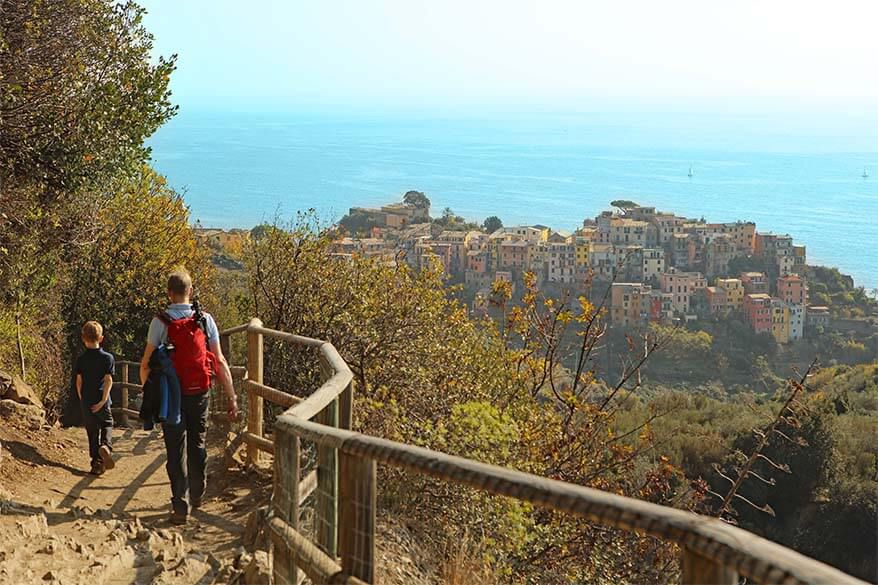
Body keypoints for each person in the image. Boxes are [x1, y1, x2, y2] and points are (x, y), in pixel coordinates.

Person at [140, 268, 238, 525]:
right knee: (198, 442)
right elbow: (219, 360)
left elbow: (145, 363)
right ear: (190, 292)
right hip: (200, 392)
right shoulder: (205, 320)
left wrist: (150, 393)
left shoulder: (159, 322)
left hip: (171, 397)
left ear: (169, 294)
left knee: (175, 448)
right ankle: (198, 490)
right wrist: (232, 397)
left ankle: (179, 505)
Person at [75, 321, 116, 475]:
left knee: (92, 431)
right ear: (101, 338)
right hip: (101, 399)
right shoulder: (108, 358)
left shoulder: (81, 359)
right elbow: (108, 380)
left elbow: (79, 381)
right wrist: (103, 400)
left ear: (83, 338)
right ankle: (106, 445)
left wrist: (82, 398)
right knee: (107, 423)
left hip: (86, 399)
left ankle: (96, 464)